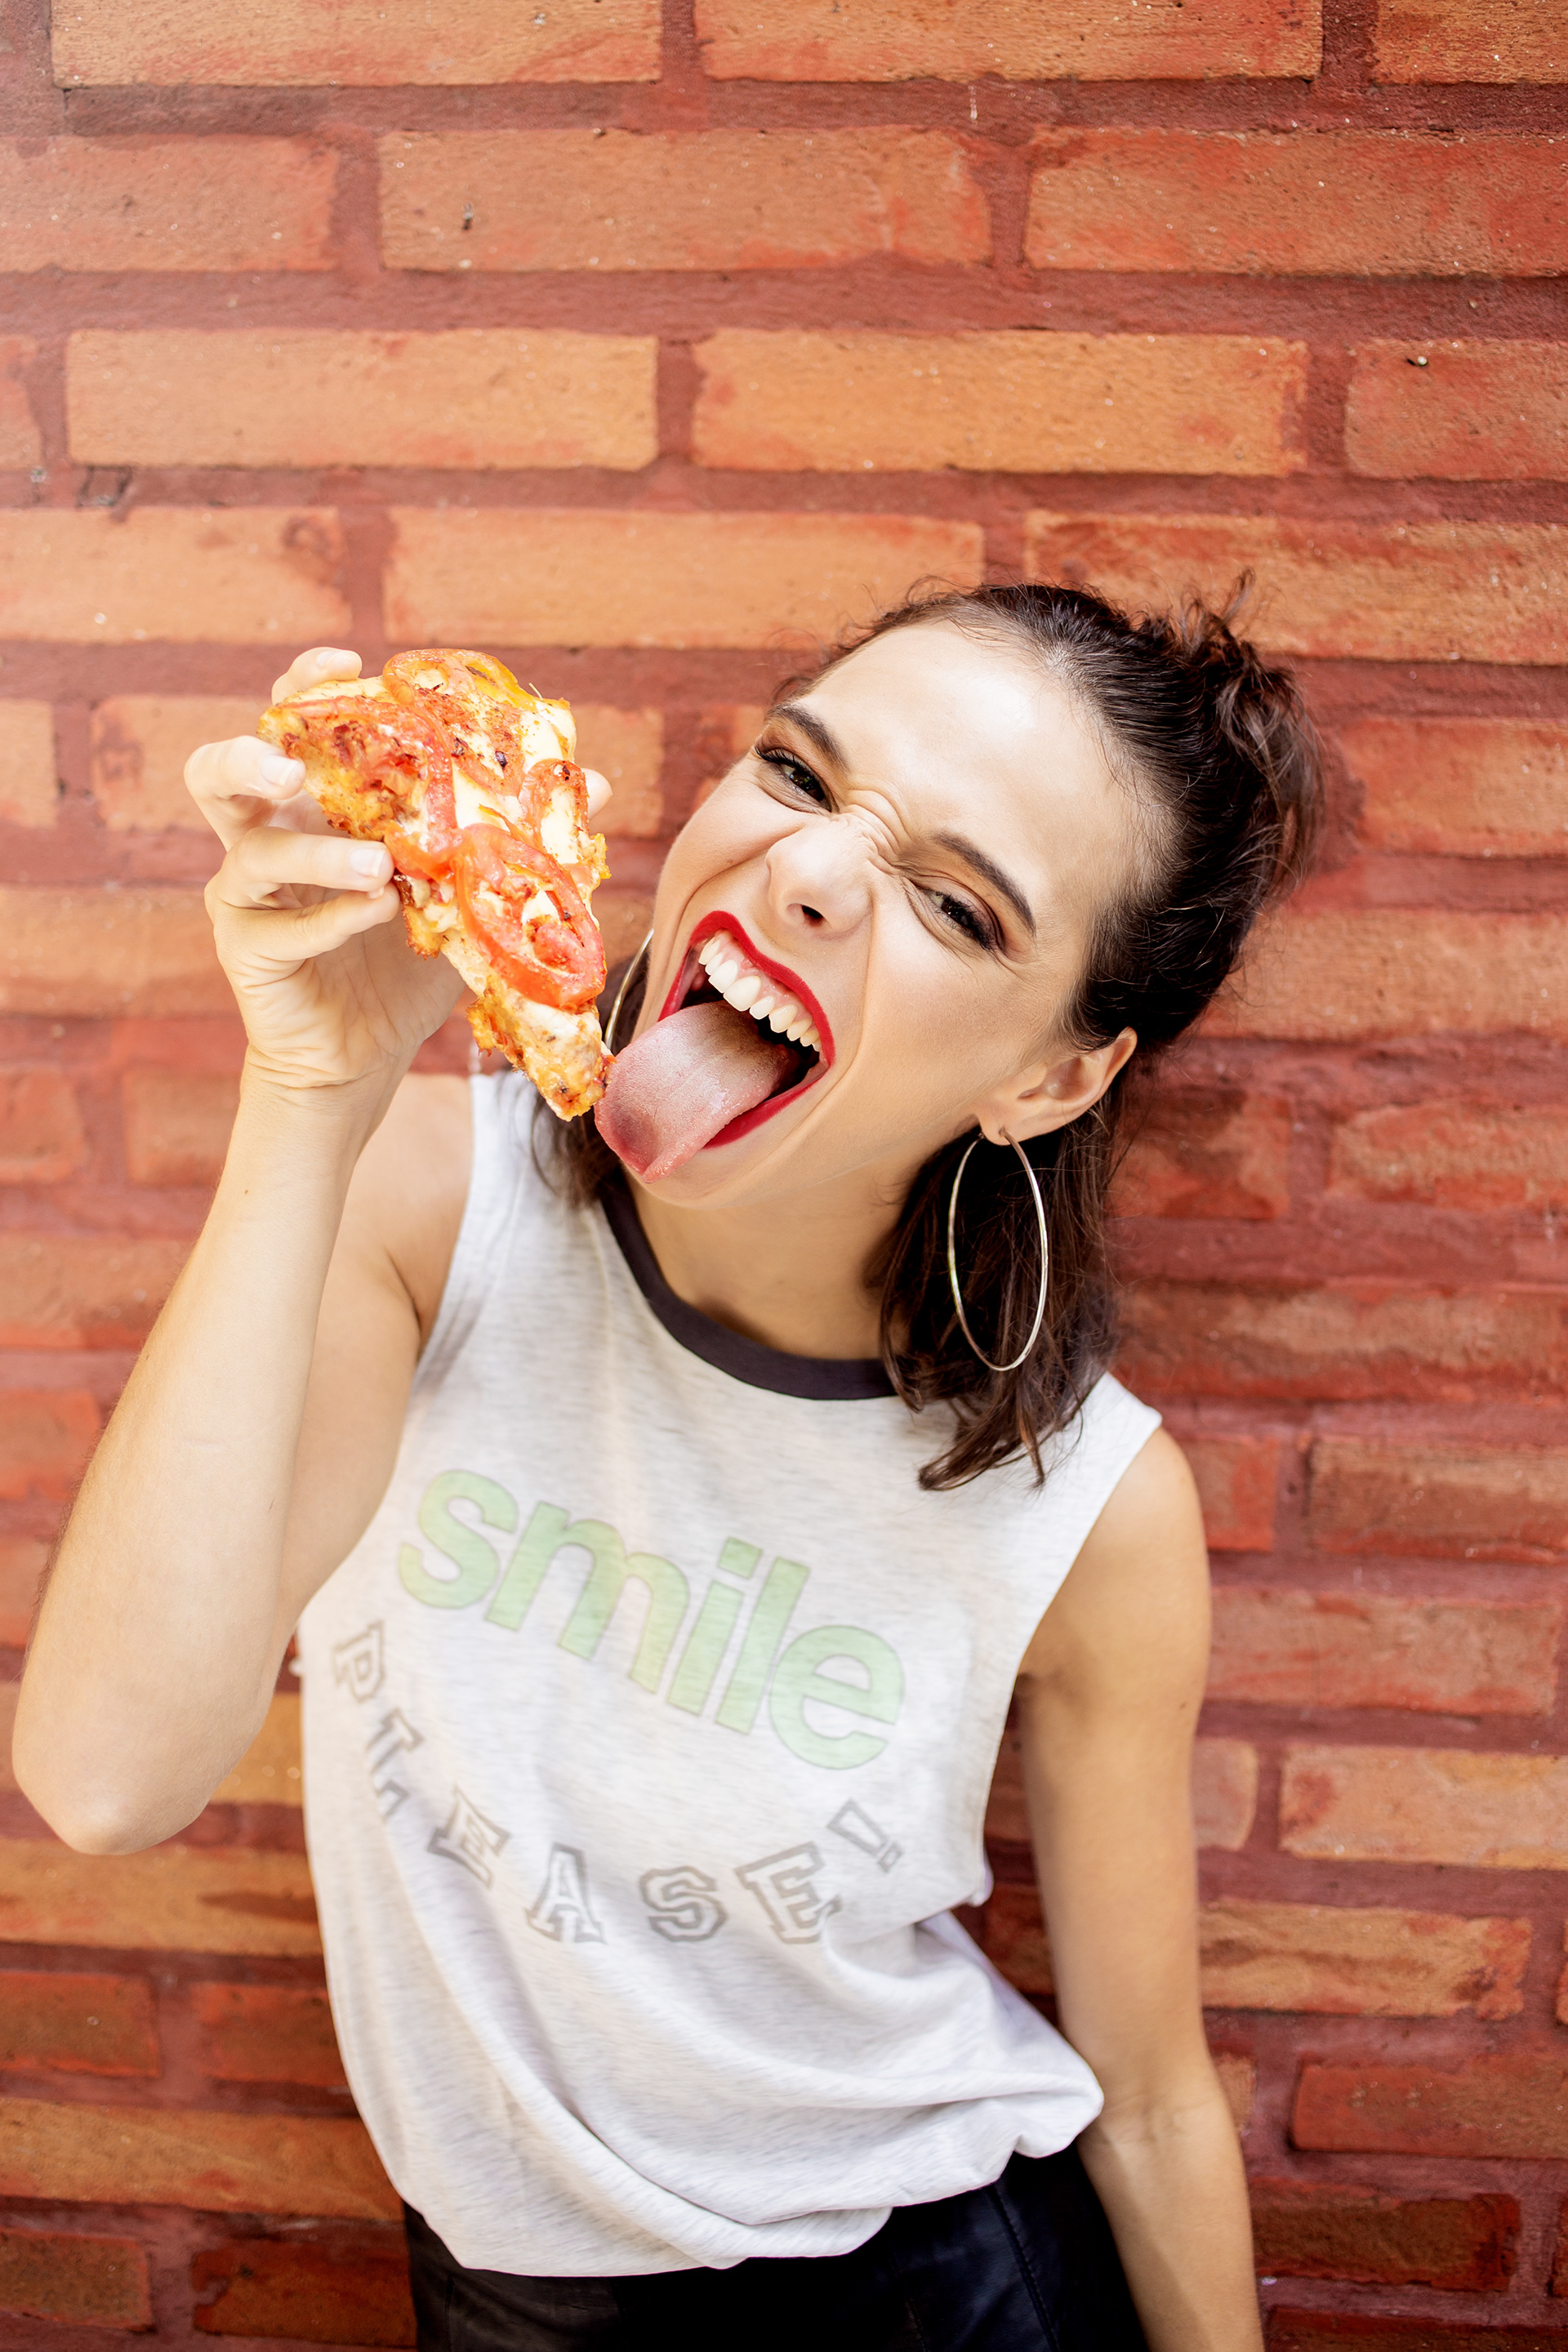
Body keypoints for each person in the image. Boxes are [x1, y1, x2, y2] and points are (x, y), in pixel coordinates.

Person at [16, 581, 1321, 2352]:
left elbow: (1152, 2098)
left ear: (1052, 1078)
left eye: (956, 903)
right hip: (505, 2296)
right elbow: (105, 1778)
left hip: (941, 2293)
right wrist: (308, 1095)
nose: (813, 870)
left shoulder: (1089, 1509)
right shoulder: (428, 1211)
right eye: (798, 772)